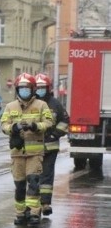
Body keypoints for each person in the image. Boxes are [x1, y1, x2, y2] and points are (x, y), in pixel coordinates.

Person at [0, 72, 54, 226]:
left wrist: (36, 126)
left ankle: (34, 212)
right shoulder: (10, 107)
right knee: (19, 185)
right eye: (22, 88)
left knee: (34, 182)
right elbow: (3, 125)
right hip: (17, 154)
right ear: (17, 89)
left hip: (35, 153)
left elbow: (49, 122)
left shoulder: (41, 105)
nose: (25, 90)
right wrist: (13, 128)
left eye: (27, 88)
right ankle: (20, 213)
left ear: (33, 89)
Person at [34, 73, 70, 217]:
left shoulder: (55, 104)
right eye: (38, 87)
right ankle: (33, 205)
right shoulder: (30, 103)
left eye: (43, 87)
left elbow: (65, 120)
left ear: (48, 88)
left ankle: (45, 204)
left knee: (47, 177)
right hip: (33, 147)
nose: (40, 90)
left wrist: (55, 133)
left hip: (50, 147)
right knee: (33, 177)